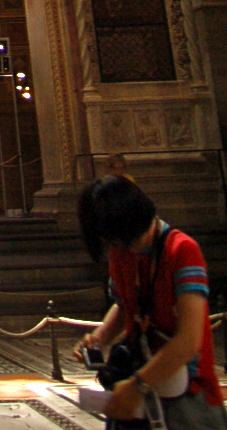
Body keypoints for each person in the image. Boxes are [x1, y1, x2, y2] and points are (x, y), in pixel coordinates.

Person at [75, 176, 225, 430]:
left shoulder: (182, 251)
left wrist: (138, 385)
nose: (125, 249)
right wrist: (101, 336)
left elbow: (189, 340)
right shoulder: (120, 250)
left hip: (186, 390)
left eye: (126, 240)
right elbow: (124, 304)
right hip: (138, 377)